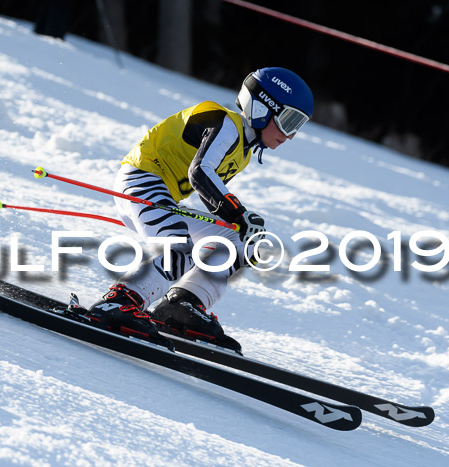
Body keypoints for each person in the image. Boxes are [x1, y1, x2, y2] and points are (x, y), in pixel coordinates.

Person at [83, 67, 314, 352]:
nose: (289, 135)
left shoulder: (243, 151)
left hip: (163, 195)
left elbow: (208, 191)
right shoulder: (226, 124)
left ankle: (183, 304)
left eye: (297, 126)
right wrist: (238, 213)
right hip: (142, 180)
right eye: (289, 121)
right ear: (263, 108)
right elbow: (200, 173)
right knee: (181, 247)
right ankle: (119, 302)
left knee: (240, 241)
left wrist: (238, 222)